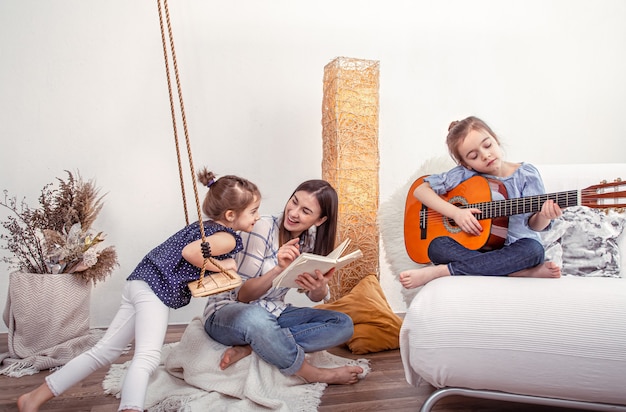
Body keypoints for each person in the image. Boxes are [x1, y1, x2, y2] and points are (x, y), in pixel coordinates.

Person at [17, 168, 261, 412]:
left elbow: (193, 253)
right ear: (230, 215)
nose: (257, 217)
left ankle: (33, 398)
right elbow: (192, 253)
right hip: (154, 291)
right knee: (148, 357)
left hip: (140, 281)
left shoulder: (204, 227)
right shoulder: (227, 237)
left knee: (104, 351)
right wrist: (226, 265)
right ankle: (130, 407)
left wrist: (217, 265)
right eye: (253, 211)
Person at [202, 179, 364, 385]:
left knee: (343, 324)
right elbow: (242, 296)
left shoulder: (310, 242)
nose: (294, 212)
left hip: (273, 312)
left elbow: (312, 295)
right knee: (257, 317)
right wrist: (279, 268)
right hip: (227, 313)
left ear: (320, 220)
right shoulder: (261, 228)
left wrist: (319, 287)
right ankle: (314, 374)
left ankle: (254, 347)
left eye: (306, 211)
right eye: (294, 202)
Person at [399, 116, 562, 289]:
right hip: (478, 249)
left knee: (534, 251)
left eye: (487, 145)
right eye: (473, 156)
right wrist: (456, 213)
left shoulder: (526, 174)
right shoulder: (464, 175)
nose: (485, 155)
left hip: (517, 247)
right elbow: (421, 190)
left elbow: (535, 225)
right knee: (437, 247)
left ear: (496, 140)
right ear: (466, 164)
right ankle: (515, 272)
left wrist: (545, 215)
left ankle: (443, 271)